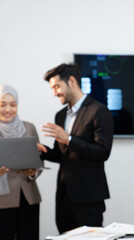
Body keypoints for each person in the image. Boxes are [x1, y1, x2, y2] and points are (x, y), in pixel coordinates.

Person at [40, 63, 114, 233]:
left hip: (89, 198)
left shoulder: (99, 111)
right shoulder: (60, 115)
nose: (54, 93)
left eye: (57, 86)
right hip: (64, 197)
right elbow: (61, 155)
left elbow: (103, 152)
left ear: (71, 81)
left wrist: (69, 139)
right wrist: (41, 151)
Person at [0, 84, 46, 240]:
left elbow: (38, 161)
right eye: (2, 104)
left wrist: (33, 172)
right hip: (2, 201)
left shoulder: (29, 128)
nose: (8, 109)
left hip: (28, 198)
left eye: (13, 105)